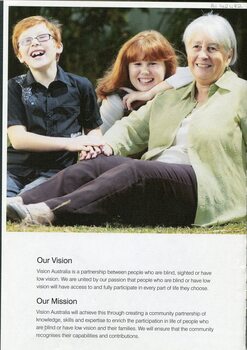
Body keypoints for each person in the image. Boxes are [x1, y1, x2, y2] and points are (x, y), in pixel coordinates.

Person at [7, 13, 247, 228]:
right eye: (196, 47)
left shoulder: (241, 94)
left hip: (205, 186)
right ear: (188, 51)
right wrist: (104, 146)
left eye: (213, 49)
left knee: (134, 170)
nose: (202, 55)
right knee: (97, 164)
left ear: (229, 55)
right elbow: (131, 128)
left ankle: (47, 212)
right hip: (162, 179)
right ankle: (17, 203)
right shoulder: (172, 94)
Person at [7, 15, 103, 197]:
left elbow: (94, 130)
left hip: (57, 172)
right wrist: (71, 143)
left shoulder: (81, 85)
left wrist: (92, 145)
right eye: (26, 41)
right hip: (14, 169)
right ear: (20, 56)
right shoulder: (13, 87)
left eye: (42, 37)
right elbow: (18, 139)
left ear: (58, 46)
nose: (34, 43)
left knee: (27, 199)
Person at [96, 30, 192, 135]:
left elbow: (196, 72)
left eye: (153, 63)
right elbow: (96, 140)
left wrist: (150, 93)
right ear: (127, 68)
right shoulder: (116, 100)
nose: (145, 71)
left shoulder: (174, 83)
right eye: (137, 64)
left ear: (166, 67)